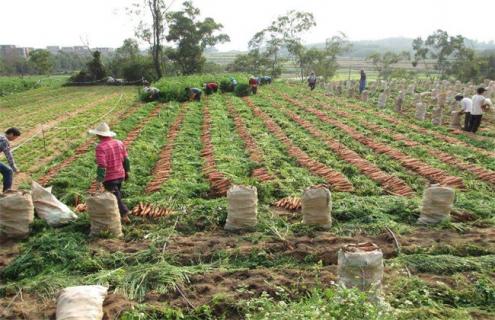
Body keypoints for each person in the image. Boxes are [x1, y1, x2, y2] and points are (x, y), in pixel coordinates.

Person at [89, 122, 131, 223]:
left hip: (110, 178)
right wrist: (127, 171)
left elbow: (102, 165)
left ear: (99, 135)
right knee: (117, 193)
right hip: (120, 174)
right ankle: (117, 214)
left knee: (115, 196)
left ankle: (124, 214)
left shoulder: (100, 147)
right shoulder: (119, 143)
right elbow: (126, 159)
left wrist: (99, 179)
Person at [0, 128, 21, 192]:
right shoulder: (4, 140)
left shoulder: (1, 136)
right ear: (11, 134)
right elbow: (8, 155)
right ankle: (7, 192)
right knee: (8, 171)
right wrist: (14, 168)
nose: (14, 139)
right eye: (15, 137)